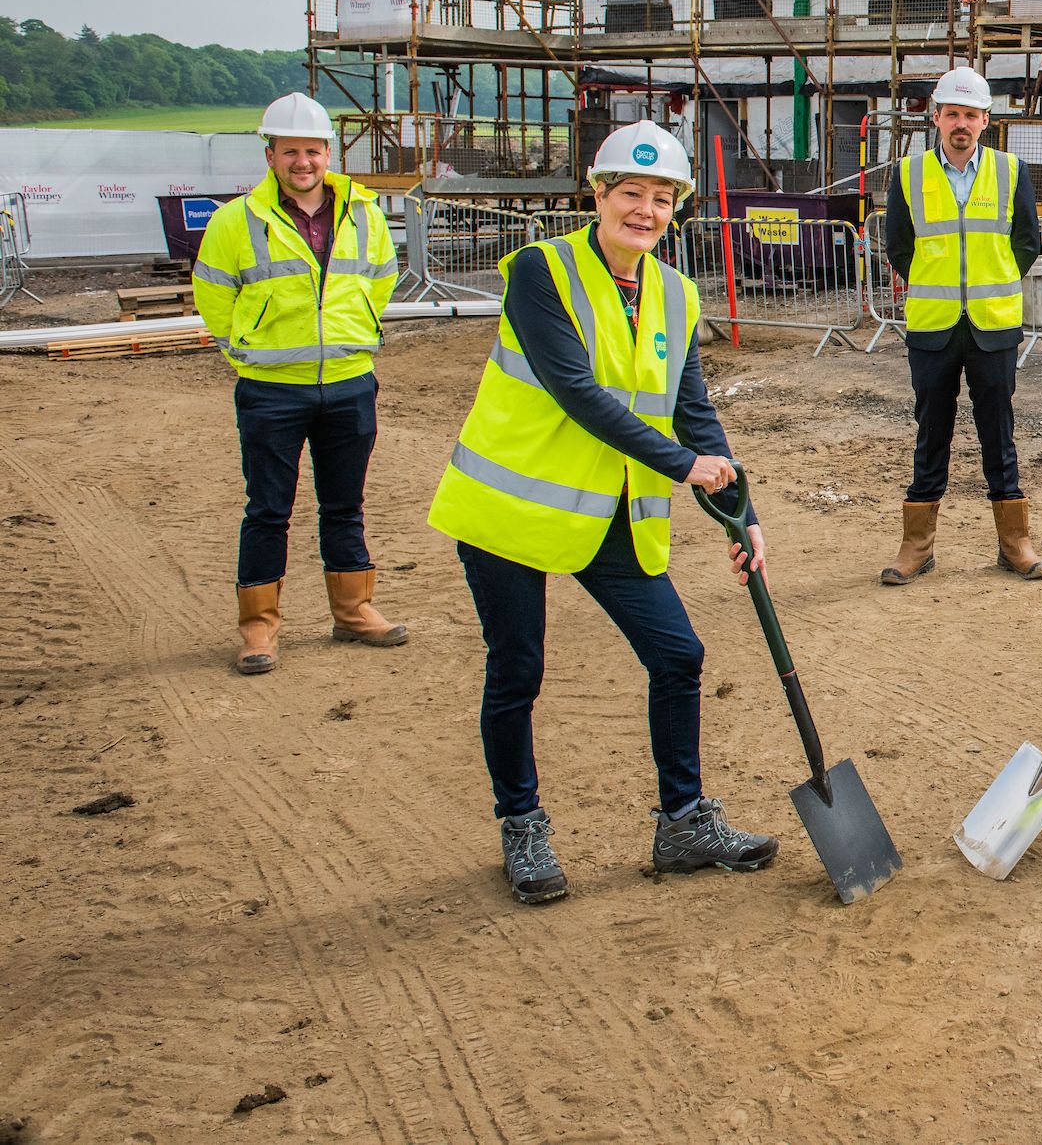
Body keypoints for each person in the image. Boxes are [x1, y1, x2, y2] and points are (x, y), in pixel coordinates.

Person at [426, 120, 779, 905]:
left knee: (678, 655)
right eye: (630, 193)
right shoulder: (539, 273)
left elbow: (692, 408)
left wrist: (735, 506)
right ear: (597, 194)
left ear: (676, 210)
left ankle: (682, 822)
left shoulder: (678, 295)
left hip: (612, 511)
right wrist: (686, 467)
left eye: (661, 199)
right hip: (510, 508)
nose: (645, 211)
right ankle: (522, 824)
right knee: (518, 668)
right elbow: (575, 393)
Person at [193, 93, 404, 676]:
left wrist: (357, 333)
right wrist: (245, 349)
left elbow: (381, 278)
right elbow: (213, 294)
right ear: (270, 155)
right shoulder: (236, 221)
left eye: (312, 150)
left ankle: (354, 611)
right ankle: (259, 628)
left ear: (328, 153)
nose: (302, 161)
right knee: (267, 509)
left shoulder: (364, 214)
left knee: (345, 505)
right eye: (291, 151)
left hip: (348, 382)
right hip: (270, 390)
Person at [880, 65, 1042, 586]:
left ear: (985, 120)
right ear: (936, 117)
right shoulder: (908, 174)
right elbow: (899, 247)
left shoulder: (1011, 170)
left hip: (992, 326)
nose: (961, 123)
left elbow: (1028, 242)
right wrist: (939, 284)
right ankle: (917, 547)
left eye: (971, 115)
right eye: (952, 113)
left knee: (998, 434)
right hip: (933, 326)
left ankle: (1014, 543)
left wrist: (988, 284)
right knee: (931, 433)